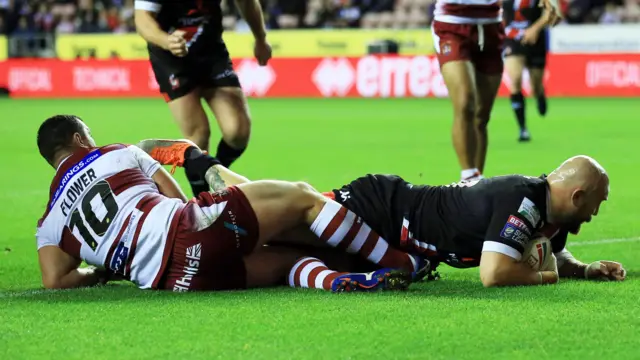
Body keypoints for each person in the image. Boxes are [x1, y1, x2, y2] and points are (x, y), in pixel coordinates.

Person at [35, 116, 428, 293]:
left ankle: (337, 281)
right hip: (189, 229)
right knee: (301, 196)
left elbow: (56, 279)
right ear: (79, 138)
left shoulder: (49, 220)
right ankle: (404, 263)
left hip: (175, 281)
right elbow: (177, 200)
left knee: (285, 262)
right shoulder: (115, 153)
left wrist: (102, 272)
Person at [323, 156, 626, 286]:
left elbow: (556, 256)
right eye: (595, 204)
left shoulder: (550, 215)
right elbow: (494, 274)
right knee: (293, 218)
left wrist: (586, 270)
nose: (594, 215)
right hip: (379, 206)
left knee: (298, 258)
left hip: (395, 241)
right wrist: (546, 277)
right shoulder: (523, 200)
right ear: (577, 197)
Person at [134, 0, 272, 197]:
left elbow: (248, 4)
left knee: (238, 131)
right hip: (170, 58)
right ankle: (203, 198)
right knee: (198, 136)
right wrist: (167, 41)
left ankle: (216, 171)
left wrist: (260, 38)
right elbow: (142, 18)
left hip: (210, 50)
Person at [431, 0, 559, 181]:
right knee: (466, 102)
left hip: (491, 28)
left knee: (481, 116)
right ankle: (467, 177)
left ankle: (477, 181)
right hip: (452, 24)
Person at [503, 0, 550, 142]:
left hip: (536, 39)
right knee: (515, 80)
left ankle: (539, 94)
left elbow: (549, 12)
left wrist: (535, 29)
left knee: (535, 84)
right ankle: (522, 129)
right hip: (512, 39)